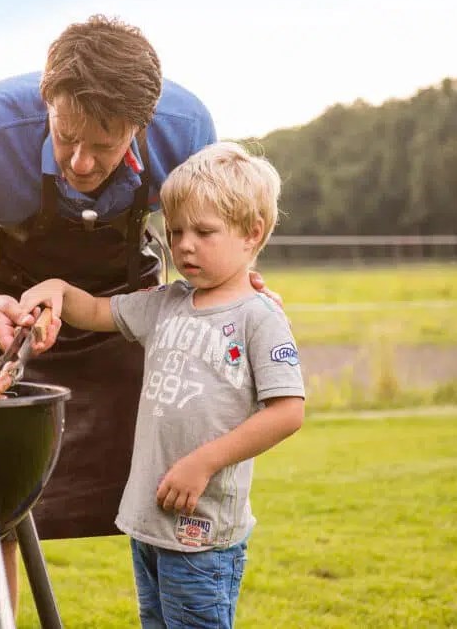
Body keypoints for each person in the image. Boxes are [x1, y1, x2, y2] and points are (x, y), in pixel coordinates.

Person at [0, 15, 276, 627]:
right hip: (11, 320)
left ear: (142, 126)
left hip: (126, 318)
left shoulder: (186, 127)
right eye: (65, 137)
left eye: (105, 146)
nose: (80, 163)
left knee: (167, 492)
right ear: (46, 102)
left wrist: (236, 285)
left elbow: (219, 234)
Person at [19, 141, 305, 628]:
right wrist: (57, 290)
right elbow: (94, 311)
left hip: (202, 528)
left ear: (251, 234)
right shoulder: (164, 303)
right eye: (174, 232)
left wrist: (202, 463)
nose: (185, 245)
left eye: (204, 232)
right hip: (150, 520)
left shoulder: (259, 317)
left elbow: (287, 411)